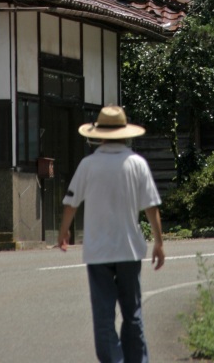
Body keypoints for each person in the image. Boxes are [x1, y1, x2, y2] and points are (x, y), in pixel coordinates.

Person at [58, 105, 165, 363]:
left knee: (104, 316)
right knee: (133, 313)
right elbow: (151, 207)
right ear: (125, 133)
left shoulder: (88, 165)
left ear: (99, 134)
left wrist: (63, 232)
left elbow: (71, 204)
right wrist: (159, 243)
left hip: (98, 251)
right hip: (129, 248)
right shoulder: (137, 164)